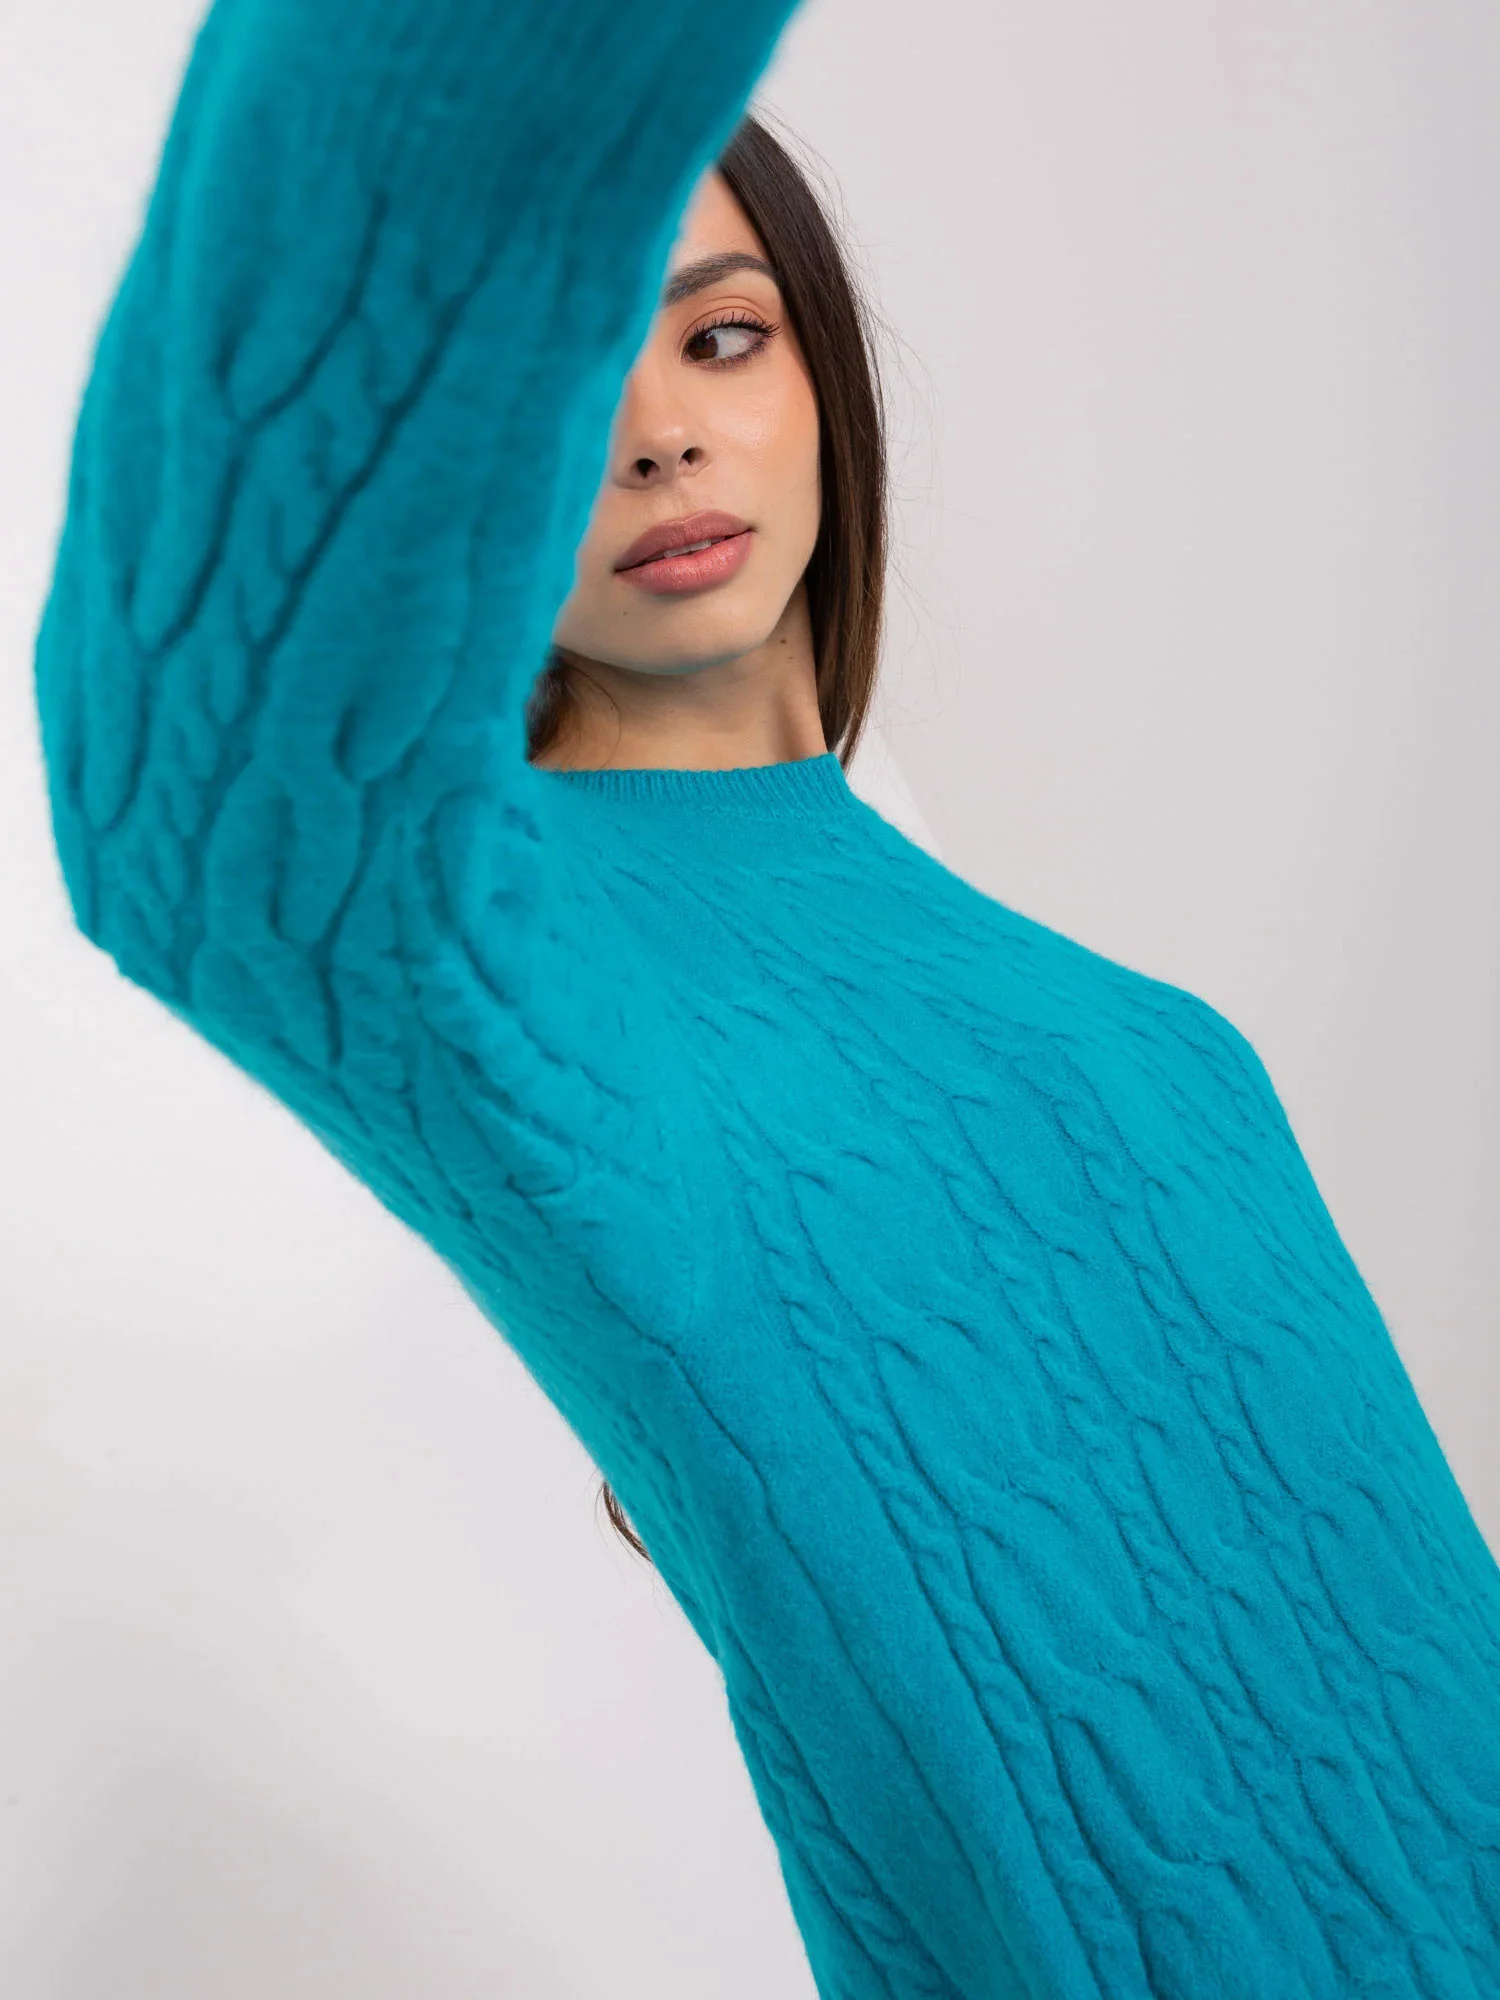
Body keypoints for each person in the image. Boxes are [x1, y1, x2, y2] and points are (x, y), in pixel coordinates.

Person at [32, 2, 1500, 1995]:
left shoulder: (1170, 1056)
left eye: (721, 335)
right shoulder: (485, 960)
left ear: (823, 375)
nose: (656, 429)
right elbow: (197, 798)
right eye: (576, 368)